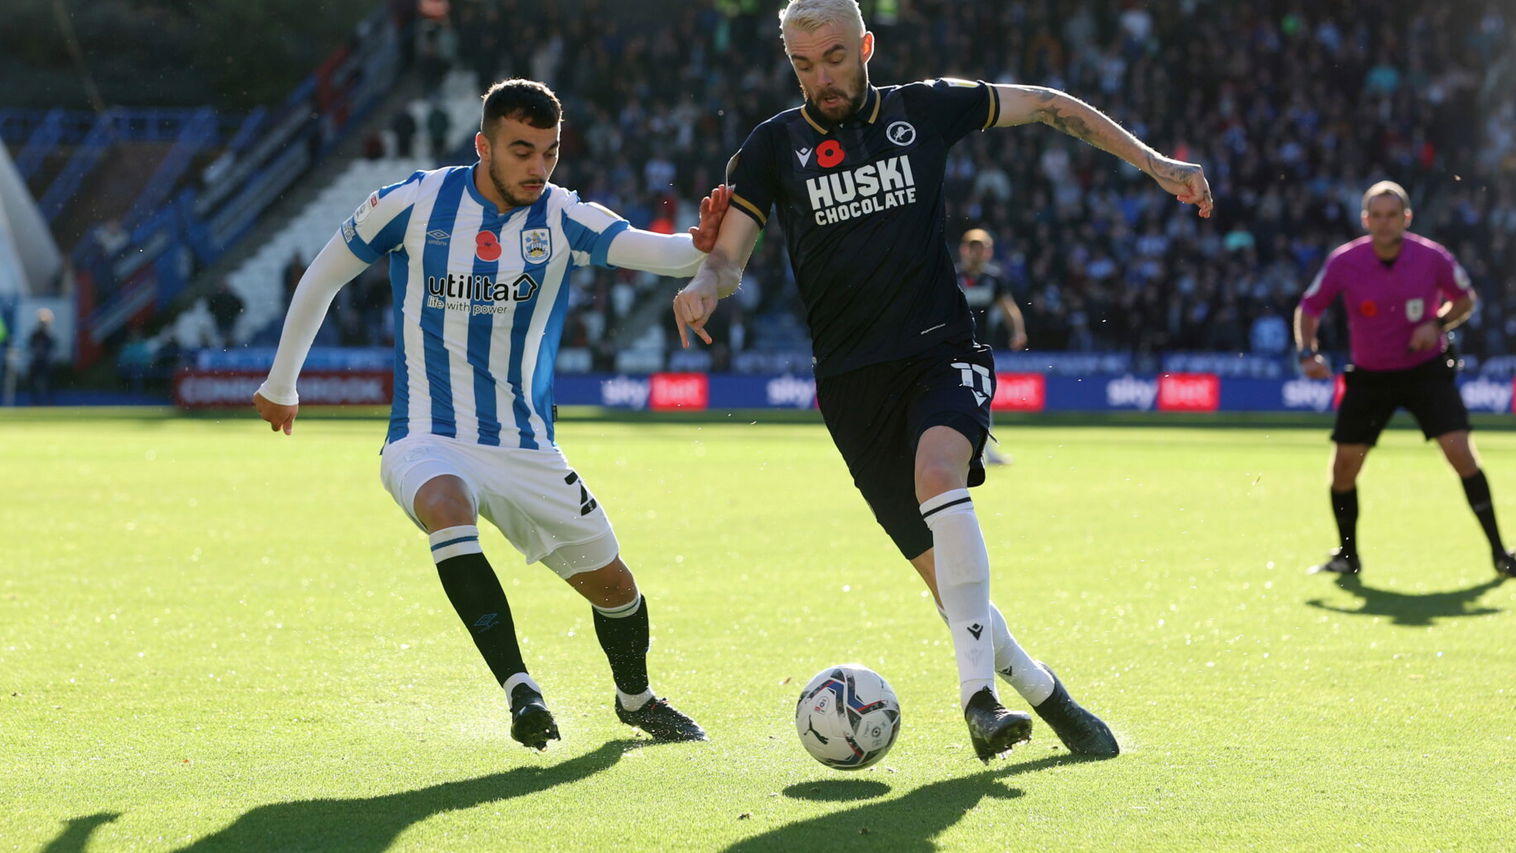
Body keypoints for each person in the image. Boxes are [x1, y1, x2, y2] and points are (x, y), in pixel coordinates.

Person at [674, 0, 1212, 763]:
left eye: (833, 57)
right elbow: (729, 257)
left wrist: (1160, 164)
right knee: (953, 590)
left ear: (865, 45)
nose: (820, 78)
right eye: (802, 65)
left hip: (940, 350)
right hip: (851, 387)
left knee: (939, 474)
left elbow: (1051, 106)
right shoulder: (770, 147)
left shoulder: (925, 108)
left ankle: (977, 701)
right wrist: (705, 280)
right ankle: (1050, 697)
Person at [254, 78, 731, 751]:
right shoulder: (414, 203)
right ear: (483, 146)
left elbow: (650, 251)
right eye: (521, 151)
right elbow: (324, 274)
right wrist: (283, 382)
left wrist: (698, 242)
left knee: (615, 586)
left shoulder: (562, 216)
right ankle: (520, 689)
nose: (538, 167)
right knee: (445, 505)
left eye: (549, 152)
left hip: (525, 444)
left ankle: (636, 698)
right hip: (425, 431)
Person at [1294, 181, 1516, 579]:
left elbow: (1466, 298)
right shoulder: (1344, 261)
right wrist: (1307, 351)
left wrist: (1436, 324)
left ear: (1407, 218)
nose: (1384, 223)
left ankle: (1499, 552)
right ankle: (1347, 556)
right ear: (1365, 219)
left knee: (1462, 456)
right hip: (1370, 376)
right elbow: (1309, 306)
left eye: (1393, 215)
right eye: (1377, 215)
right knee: (1342, 471)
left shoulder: (1431, 256)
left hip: (1425, 371)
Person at [956, 228, 1026, 466]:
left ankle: (986, 452)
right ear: (964, 249)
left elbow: (1008, 306)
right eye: (973, 247)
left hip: (979, 350)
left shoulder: (993, 279)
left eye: (982, 247)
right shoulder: (951, 276)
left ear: (988, 251)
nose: (977, 252)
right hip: (951, 348)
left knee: (982, 398)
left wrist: (1017, 330)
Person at [27, 308, 57, 405]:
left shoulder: (49, 335)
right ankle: (34, 402)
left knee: (49, 383)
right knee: (33, 383)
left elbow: (53, 349)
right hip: (36, 361)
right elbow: (30, 347)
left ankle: (50, 402)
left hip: (46, 362)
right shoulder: (35, 335)